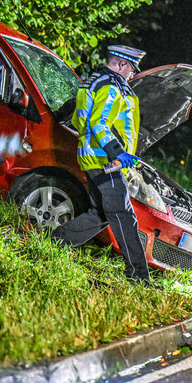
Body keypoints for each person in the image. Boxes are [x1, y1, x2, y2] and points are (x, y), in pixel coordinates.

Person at [53, 45, 151, 283]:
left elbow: (76, 116)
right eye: (131, 70)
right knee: (125, 215)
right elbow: (99, 123)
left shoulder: (93, 81)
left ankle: (54, 242)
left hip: (93, 157)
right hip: (106, 160)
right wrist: (119, 153)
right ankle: (139, 277)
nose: (132, 75)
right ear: (121, 64)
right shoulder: (111, 85)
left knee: (101, 213)